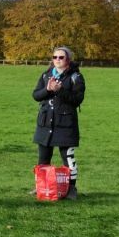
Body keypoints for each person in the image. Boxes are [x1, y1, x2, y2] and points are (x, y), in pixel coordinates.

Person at [33, 45, 86, 200]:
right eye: (55, 57)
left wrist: (59, 90)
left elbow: (77, 99)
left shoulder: (76, 77)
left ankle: (71, 189)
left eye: (61, 57)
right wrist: (48, 90)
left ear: (68, 59)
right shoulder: (46, 75)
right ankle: (42, 186)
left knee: (67, 157)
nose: (57, 60)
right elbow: (36, 95)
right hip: (45, 123)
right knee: (43, 157)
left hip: (65, 123)